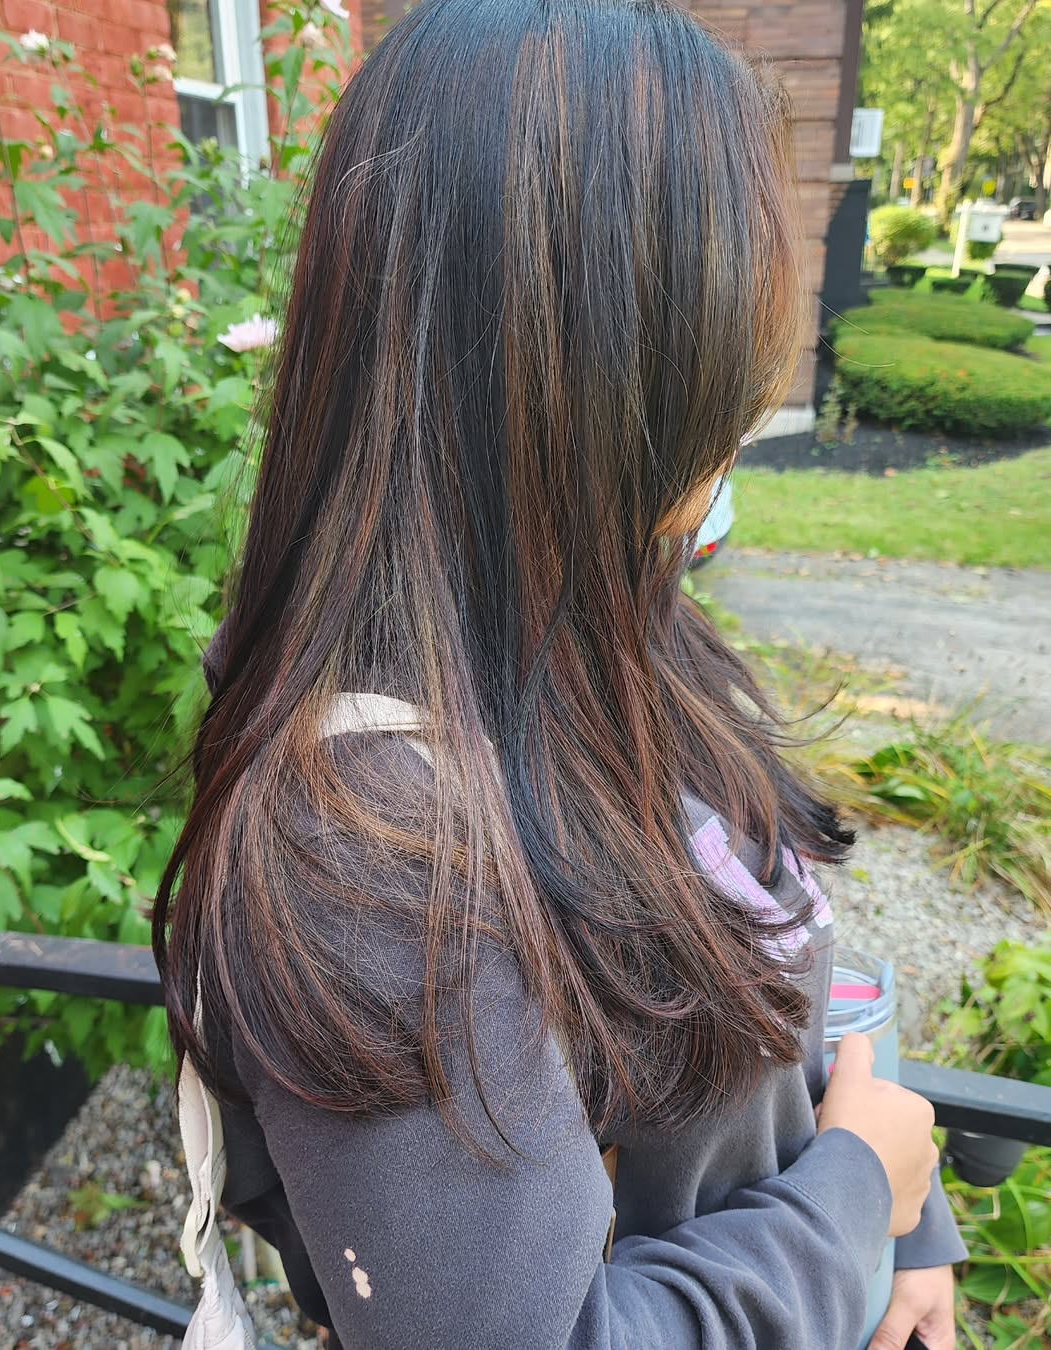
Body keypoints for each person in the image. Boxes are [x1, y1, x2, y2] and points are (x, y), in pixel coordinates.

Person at [154, 2, 966, 1346]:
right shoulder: (370, 857)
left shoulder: (615, 624)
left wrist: (907, 1217)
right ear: (599, 371)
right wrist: (852, 1202)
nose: (760, 377)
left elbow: (760, 929)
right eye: (731, 326)